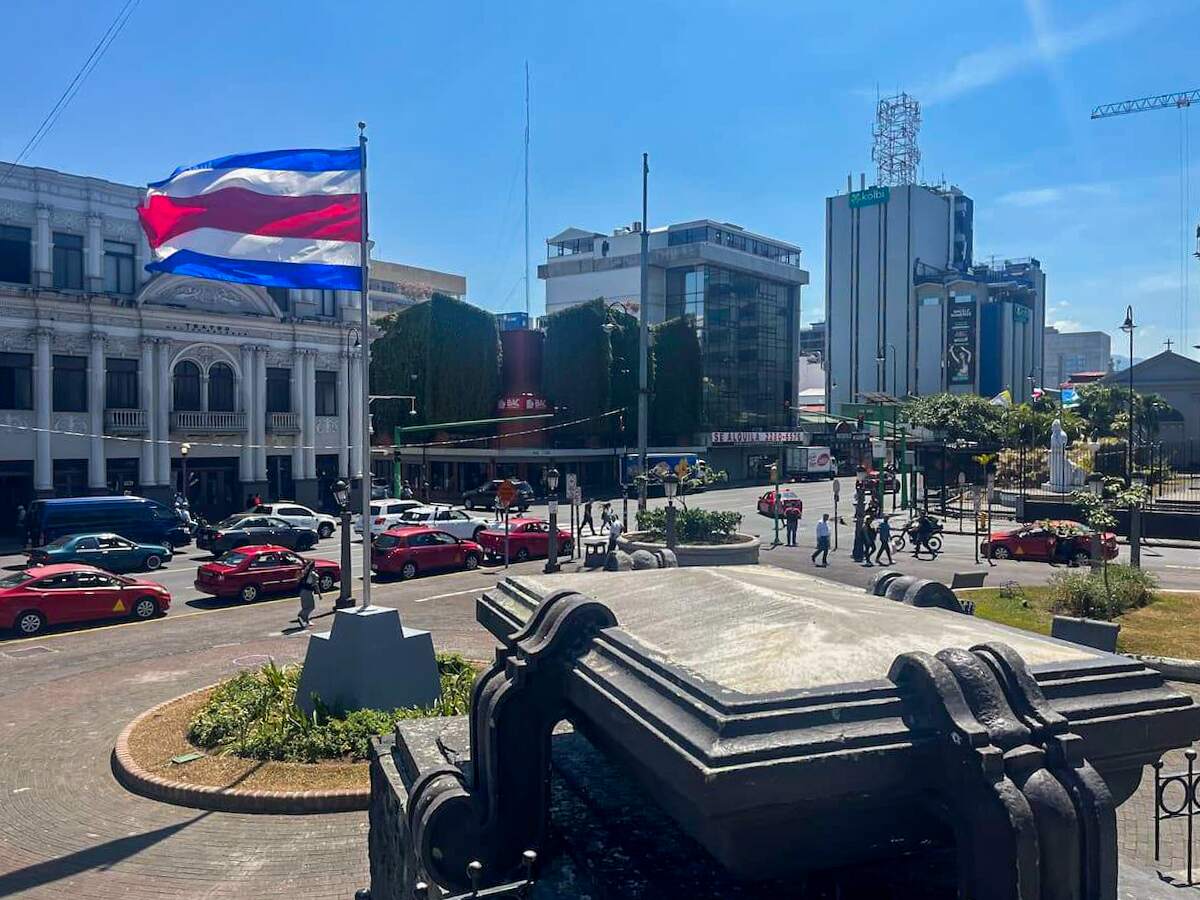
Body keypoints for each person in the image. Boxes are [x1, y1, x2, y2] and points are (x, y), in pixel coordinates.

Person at [296, 560, 320, 628]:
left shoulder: (304, 573)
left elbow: (298, 579)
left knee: (305, 607)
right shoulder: (313, 574)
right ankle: (300, 616)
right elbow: (315, 585)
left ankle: (306, 621)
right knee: (311, 607)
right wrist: (319, 594)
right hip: (308, 592)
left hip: (302, 591)